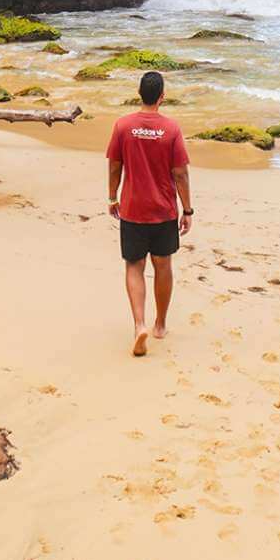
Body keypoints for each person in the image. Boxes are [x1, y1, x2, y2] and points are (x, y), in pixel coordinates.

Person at [106, 70, 194, 356]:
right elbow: (180, 173)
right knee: (163, 265)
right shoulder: (171, 129)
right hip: (163, 211)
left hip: (132, 209)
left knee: (134, 266)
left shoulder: (123, 125)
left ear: (139, 93)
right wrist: (188, 209)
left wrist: (112, 197)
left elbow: (115, 166)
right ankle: (159, 324)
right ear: (162, 96)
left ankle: (139, 324)